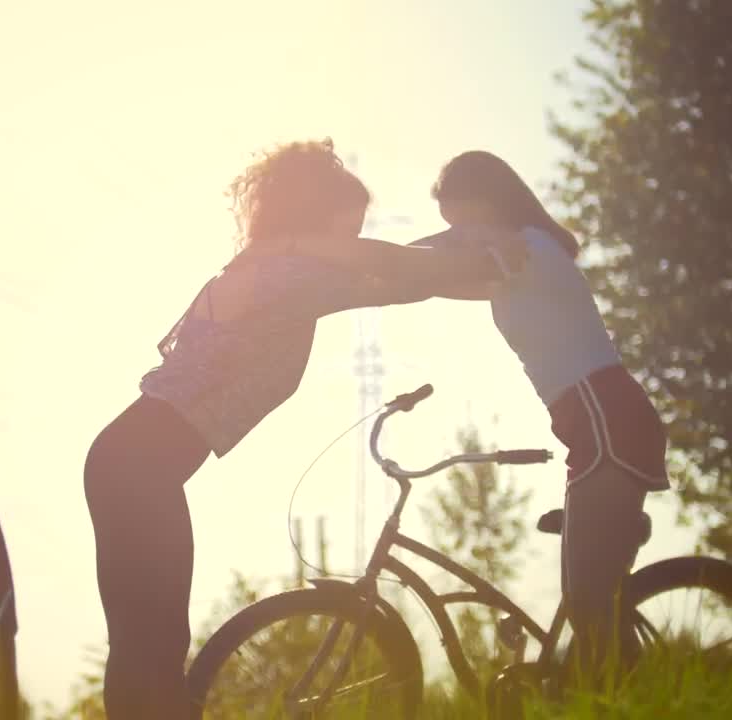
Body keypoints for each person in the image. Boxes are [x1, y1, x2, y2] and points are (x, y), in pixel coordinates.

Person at [83, 138, 526, 719]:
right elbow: (399, 276)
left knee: (147, 648)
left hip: (131, 464)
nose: (354, 246)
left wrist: (473, 252)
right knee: (153, 649)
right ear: (317, 225)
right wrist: (492, 252)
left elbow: (391, 272)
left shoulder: (284, 271)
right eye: (349, 231)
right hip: (137, 467)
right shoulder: (286, 276)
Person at [417, 149, 670, 679]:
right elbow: (423, 277)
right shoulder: (511, 264)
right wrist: (349, 277)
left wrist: (356, 257)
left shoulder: (528, 249)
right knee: (591, 602)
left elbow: (441, 256)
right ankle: (627, 692)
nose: (456, 233)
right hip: (596, 423)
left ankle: (645, 696)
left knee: (588, 602)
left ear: (487, 202)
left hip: (606, 418)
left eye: (460, 220)